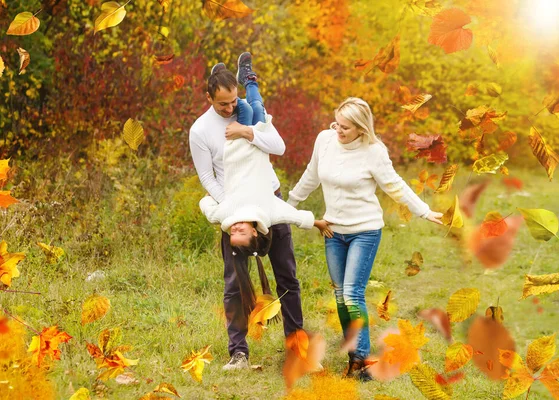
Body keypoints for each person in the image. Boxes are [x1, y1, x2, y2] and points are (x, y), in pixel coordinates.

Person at [287, 97, 443, 380]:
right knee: (340, 296)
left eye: (346, 127)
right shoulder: (325, 140)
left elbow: (395, 185)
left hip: (364, 230)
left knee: (351, 294)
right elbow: (311, 176)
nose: (339, 131)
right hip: (334, 231)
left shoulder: (373, 151)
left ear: (361, 128)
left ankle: (361, 359)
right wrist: (289, 203)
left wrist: (424, 211)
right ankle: (354, 356)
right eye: (337, 124)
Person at [189, 52, 306, 371]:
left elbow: (278, 147)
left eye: (233, 101)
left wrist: (248, 131)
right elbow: (206, 177)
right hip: (235, 213)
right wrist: (231, 207)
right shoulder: (200, 130)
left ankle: (296, 348)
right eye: (222, 105)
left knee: (287, 277)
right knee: (235, 283)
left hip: (269, 199)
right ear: (209, 96)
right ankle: (238, 353)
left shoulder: (251, 113)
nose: (229, 109)